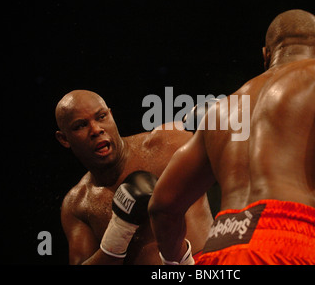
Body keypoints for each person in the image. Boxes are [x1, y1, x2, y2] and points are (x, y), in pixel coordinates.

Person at [149, 9, 315, 265]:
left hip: (219, 251)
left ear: (266, 55)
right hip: (290, 245)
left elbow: (162, 207)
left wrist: (180, 263)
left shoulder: (220, 109)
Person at [55, 90, 213, 265]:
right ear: (64, 139)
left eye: (101, 117)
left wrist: (223, 122)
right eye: (80, 126)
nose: (96, 129)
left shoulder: (169, 143)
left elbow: (237, 156)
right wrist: (119, 231)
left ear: (111, 115)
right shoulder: (77, 204)